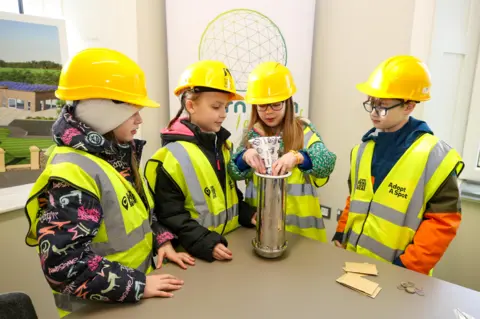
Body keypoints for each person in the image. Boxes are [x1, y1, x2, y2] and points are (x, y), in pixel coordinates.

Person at [24, 48, 193, 318]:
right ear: (101, 110)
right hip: (97, 309)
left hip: (132, 301)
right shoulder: (74, 174)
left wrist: (161, 240)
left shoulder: (114, 155)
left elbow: (138, 213)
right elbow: (64, 266)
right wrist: (138, 284)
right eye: (132, 110)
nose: (139, 119)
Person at [332, 55, 464, 275]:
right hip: (353, 264)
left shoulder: (435, 157)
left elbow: (442, 222)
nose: (374, 112)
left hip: (400, 273)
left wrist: (407, 266)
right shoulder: (363, 150)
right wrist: (340, 233)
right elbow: (354, 199)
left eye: (382, 106)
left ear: (409, 106)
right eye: (371, 103)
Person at [144, 60, 256, 262]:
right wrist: (205, 242)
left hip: (229, 244)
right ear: (190, 105)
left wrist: (247, 214)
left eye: (226, 107)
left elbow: (230, 196)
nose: (223, 114)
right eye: (216, 106)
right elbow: (170, 215)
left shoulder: (222, 145)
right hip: (192, 257)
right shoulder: (172, 156)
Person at [227, 61, 337, 242]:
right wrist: (243, 157)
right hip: (263, 232)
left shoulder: (304, 130)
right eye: (262, 105)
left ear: (288, 103)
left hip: (301, 237)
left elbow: (327, 162)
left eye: (276, 104)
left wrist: (299, 157)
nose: (268, 112)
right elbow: (233, 171)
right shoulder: (251, 136)